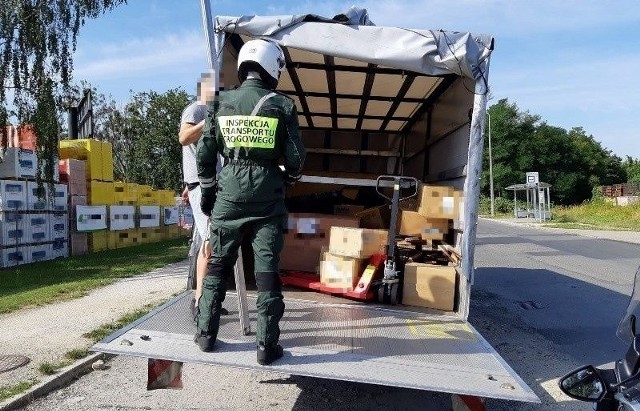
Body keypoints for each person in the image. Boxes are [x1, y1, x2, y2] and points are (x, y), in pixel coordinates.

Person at [195, 39, 306, 365]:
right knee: (267, 272)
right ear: (273, 67)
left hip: (228, 196)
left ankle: (205, 335)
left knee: (217, 266)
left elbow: (204, 154)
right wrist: (285, 178)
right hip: (267, 200)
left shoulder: (221, 102)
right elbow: (297, 159)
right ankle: (265, 347)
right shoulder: (282, 105)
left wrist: (209, 191)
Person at [178, 73, 227, 319]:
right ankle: (199, 303)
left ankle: (208, 297)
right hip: (202, 185)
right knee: (209, 243)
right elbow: (184, 138)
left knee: (214, 241)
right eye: (217, 89)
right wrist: (210, 121)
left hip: (206, 184)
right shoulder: (196, 110)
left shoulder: (209, 112)